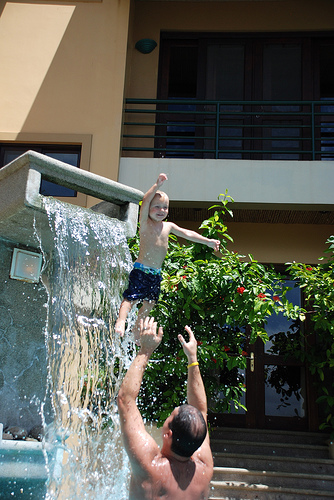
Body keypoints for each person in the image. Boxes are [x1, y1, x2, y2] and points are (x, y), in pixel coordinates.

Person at [117, 316, 214, 500]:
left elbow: (125, 400)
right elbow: (200, 410)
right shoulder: (204, 467)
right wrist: (192, 359)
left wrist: (145, 350)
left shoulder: (150, 465)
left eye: (170, 416)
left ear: (168, 434)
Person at [115, 173, 220, 339]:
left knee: (150, 304)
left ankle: (136, 329)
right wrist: (157, 185)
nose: (161, 210)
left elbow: (187, 233)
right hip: (141, 270)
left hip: (156, 274)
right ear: (148, 208)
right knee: (131, 298)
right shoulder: (144, 223)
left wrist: (207, 241)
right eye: (156, 206)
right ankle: (121, 320)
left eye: (165, 208)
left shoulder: (168, 226)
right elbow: (146, 199)